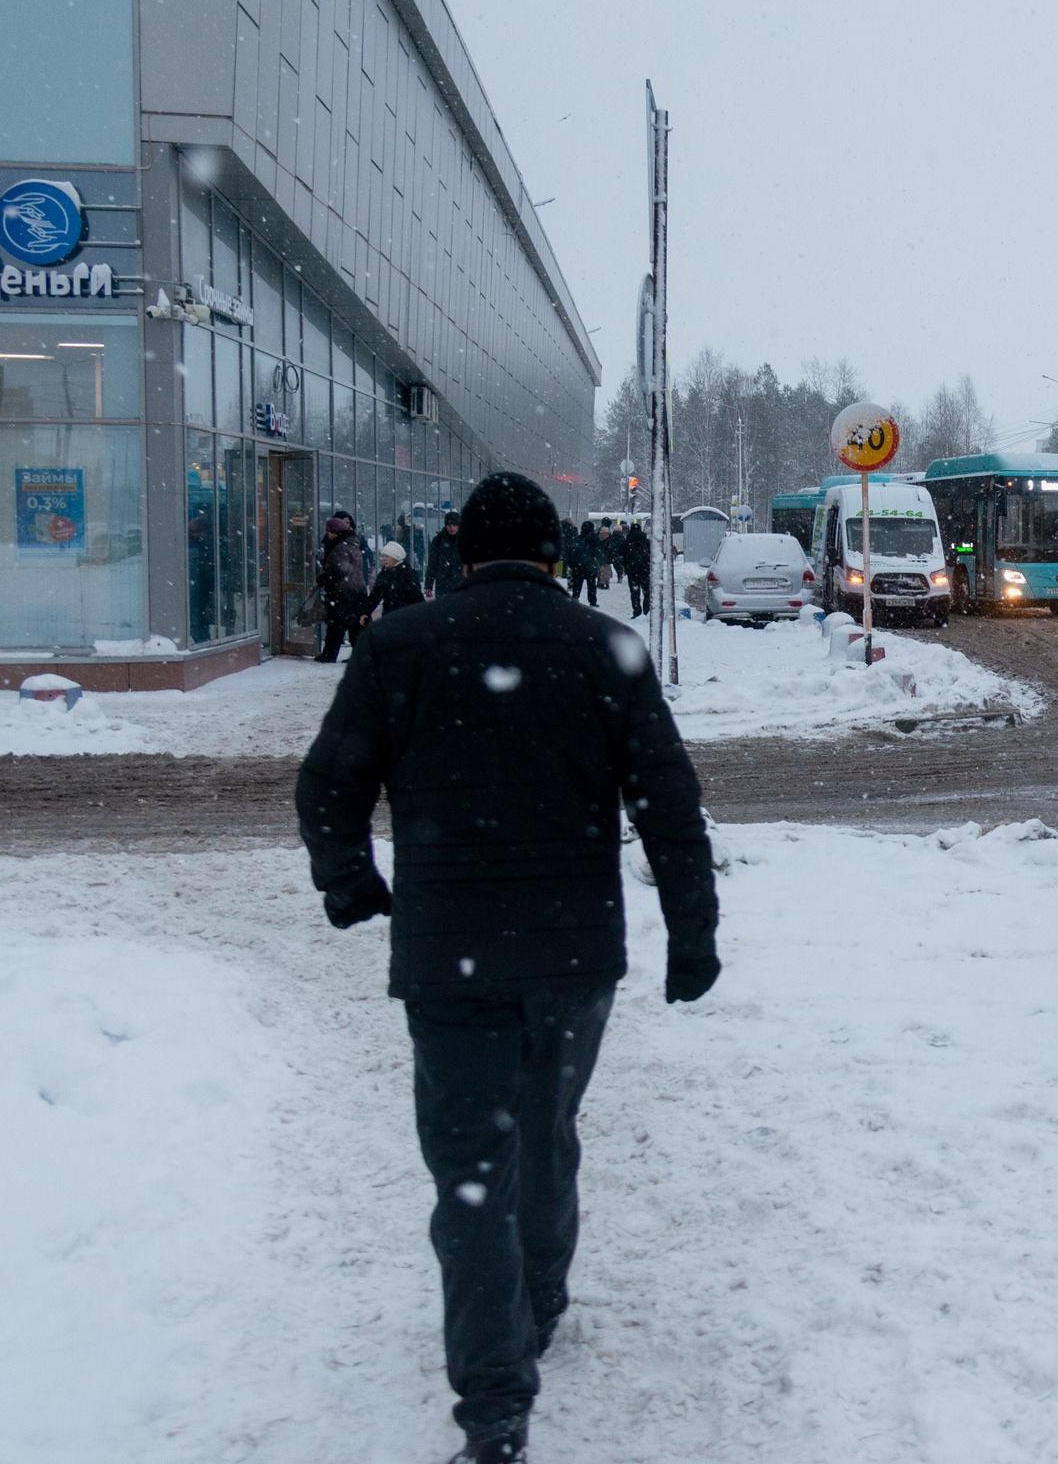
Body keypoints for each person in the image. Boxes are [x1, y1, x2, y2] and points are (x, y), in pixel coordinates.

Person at [296, 471, 719, 1464]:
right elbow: (669, 802)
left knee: (470, 1169)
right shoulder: (602, 648)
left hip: (448, 954)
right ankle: (538, 1297)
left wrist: (350, 879)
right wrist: (692, 933)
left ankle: (493, 1408)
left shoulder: (399, 646)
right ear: (555, 555)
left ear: (462, 551)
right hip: (574, 951)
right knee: (546, 1125)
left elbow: (327, 783)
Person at [317, 510, 369, 664]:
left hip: (344, 591)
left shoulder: (341, 547)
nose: (328, 534)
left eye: (330, 532)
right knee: (354, 625)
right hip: (355, 589)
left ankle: (330, 654)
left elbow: (340, 570)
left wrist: (325, 577)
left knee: (337, 624)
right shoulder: (352, 543)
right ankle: (359, 654)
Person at [364, 539, 424, 624]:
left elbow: (417, 597)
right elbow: (375, 595)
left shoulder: (408, 574)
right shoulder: (384, 573)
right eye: (383, 556)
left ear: (396, 557)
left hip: (406, 619)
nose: (383, 559)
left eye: (387, 556)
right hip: (388, 618)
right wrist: (366, 612)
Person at [425, 510, 466, 600]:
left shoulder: (465, 541)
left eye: (454, 525)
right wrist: (429, 585)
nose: (452, 528)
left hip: (461, 582)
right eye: (449, 525)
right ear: (446, 525)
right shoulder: (439, 541)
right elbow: (432, 563)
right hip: (443, 583)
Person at [621, 522, 652, 618]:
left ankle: (637, 611)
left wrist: (626, 565)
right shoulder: (646, 541)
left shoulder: (627, 541)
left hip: (632, 571)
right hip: (645, 570)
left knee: (635, 593)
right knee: (647, 592)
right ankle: (647, 611)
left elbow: (621, 553)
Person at [568, 520, 601, 606]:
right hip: (589, 565)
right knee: (591, 584)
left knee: (577, 583)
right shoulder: (593, 539)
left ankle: (575, 597)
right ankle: (592, 601)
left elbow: (571, 551)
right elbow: (597, 551)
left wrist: (571, 564)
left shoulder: (577, 538)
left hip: (577, 565)